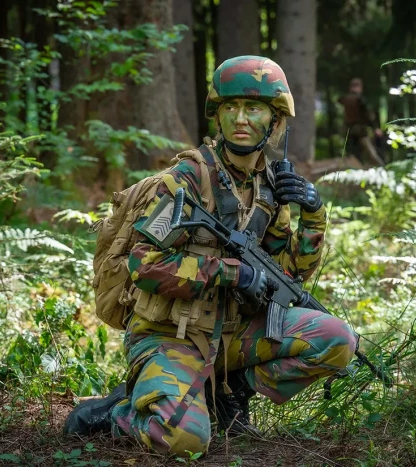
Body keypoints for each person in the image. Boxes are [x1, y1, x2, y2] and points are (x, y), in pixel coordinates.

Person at [64, 56, 357, 456]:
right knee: (184, 441)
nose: (240, 118)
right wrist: (229, 272)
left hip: (233, 333)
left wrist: (314, 214)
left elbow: (289, 277)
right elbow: (144, 266)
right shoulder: (184, 181)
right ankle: (118, 412)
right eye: (229, 108)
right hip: (171, 335)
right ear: (216, 117)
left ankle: (229, 391)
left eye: (253, 108)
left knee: (337, 340)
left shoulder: (270, 188)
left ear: (274, 121)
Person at [338, 78, 386, 166]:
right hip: (360, 130)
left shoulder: (345, 99)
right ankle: (381, 168)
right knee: (370, 152)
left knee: (352, 152)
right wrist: (375, 128)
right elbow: (367, 115)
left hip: (348, 130)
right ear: (359, 87)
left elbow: (340, 100)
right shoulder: (360, 100)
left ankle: (355, 169)